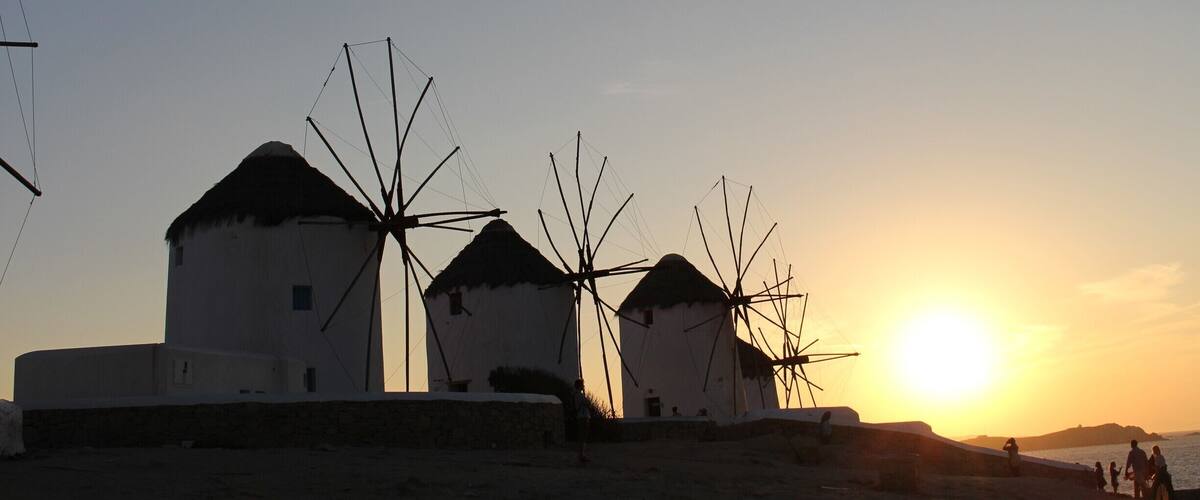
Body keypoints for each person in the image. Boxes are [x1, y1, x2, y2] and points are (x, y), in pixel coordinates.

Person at [573, 379, 590, 463]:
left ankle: (582, 454)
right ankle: (581, 455)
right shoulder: (579, 395)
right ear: (580, 386)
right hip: (583, 416)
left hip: (583, 416)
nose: (583, 386)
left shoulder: (578, 394)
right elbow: (583, 404)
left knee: (583, 436)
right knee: (583, 436)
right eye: (582, 385)